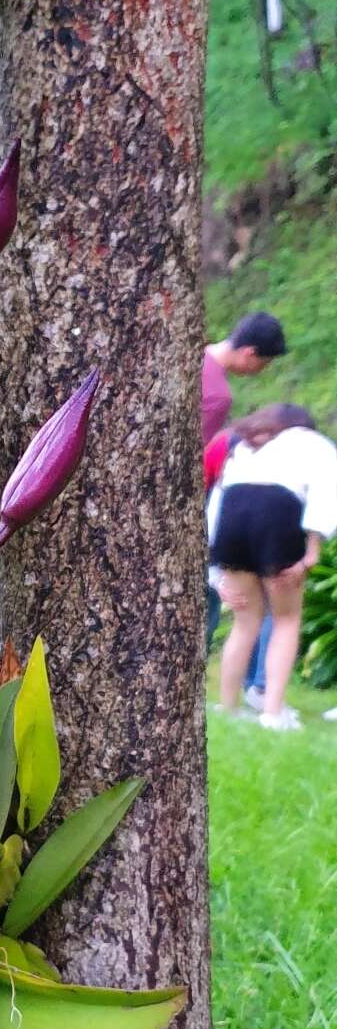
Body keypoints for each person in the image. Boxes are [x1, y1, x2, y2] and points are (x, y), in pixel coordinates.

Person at [210, 408, 337, 730]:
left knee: (244, 620)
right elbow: (327, 492)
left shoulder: (243, 445)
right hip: (278, 514)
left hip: (233, 516)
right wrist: (312, 551)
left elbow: (218, 502)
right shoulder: (313, 442)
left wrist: (216, 568)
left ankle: (228, 706)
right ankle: (272, 711)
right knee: (285, 619)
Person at [201, 311, 287, 447]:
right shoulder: (218, 396)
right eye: (264, 364)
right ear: (250, 353)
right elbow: (198, 453)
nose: (260, 371)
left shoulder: (192, 355)